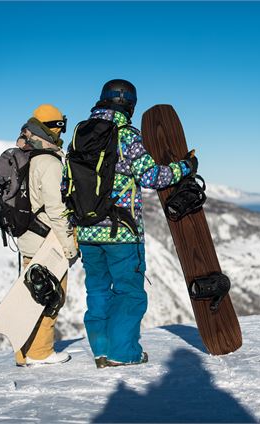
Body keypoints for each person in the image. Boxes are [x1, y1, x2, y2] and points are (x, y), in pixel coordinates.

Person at [76, 79, 197, 368]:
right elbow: (150, 177)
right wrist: (186, 167)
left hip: (86, 230)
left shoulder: (80, 135)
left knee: (98, 291)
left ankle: (102, 352)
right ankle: (123, 353)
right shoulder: (127, 135)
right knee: (129, 292)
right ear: (130, 105)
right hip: (121, 232)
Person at [15, 104, 80, 367]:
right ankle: (40, 352)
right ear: (51, 127)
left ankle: (23, 352)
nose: (61, 131)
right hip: (47, 242)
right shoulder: (49, 162)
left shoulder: (25, 156)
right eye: (59, 126)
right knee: (50, 296)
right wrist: (69, 246)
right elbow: (56, 208)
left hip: (27, 238)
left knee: (29, 296)